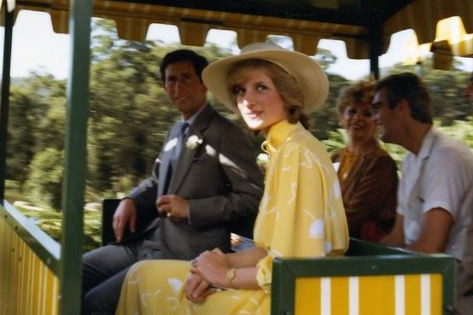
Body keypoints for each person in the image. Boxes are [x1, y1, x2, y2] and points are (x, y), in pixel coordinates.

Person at [115, 42, 349, 315]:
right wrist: (218, 260)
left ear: (287, 93)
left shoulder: (296, 152)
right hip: (278, 286)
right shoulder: (285, 147)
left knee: (142, 282)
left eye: (261, 87)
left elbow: (292, 266)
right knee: (141, 274)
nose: (247, 99)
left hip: (289, 300)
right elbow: (268, 250)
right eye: (240, 90)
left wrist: (223, 276)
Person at [81, 49, 264, 314]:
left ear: (203, 84)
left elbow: (251, 196)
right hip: (147, 240)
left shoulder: (225, 132)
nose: (178, 87)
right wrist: (131, 199)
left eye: (186, 78)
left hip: (185, 252)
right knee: (75, 271)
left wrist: (191, 209)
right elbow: (156, 179)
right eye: (171, 80)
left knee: (95, 302)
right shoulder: (174, 131)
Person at [374, 72, 473, 315]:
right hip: (425, 286)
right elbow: (397, 237)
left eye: (378, 108)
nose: (375, 119)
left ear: (401, 108)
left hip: (452, 298)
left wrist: (372, 271)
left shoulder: (445, 156)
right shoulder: (410, 160)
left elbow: (430, 247)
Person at [331, 80, 398, 242]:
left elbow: (356, 215)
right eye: (352, 111)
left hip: (363, 251)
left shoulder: (380, 162)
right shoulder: (335, 157)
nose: (357, 118)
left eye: (367, 114)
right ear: (342, 116)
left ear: (378, 121)